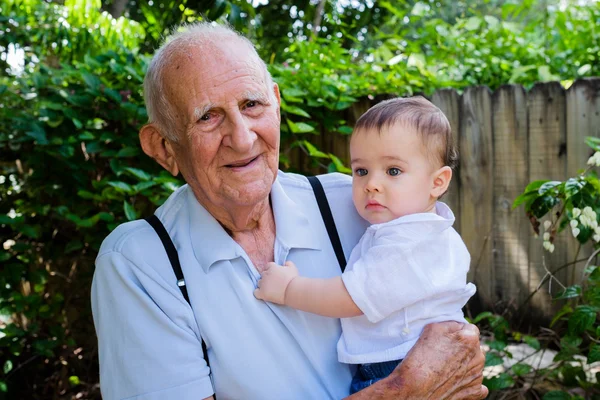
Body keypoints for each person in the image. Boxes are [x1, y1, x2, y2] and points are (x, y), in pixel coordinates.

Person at [91, 22, 488, 400]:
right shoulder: (140, 264)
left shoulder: (356, 204)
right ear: (163, 147)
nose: (243, 138)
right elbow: (427, 379)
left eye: (252, 104)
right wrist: (405, 390)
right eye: (208, 117)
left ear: (276, 107)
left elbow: (446, 334)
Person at [254, 96, 476, 394]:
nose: (371, 183)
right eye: (361, 171)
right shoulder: (430, 229)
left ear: (438, 182)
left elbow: (351, 298)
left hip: (398, 368)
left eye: (393, 171)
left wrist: (288, 289)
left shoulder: (408, 242)